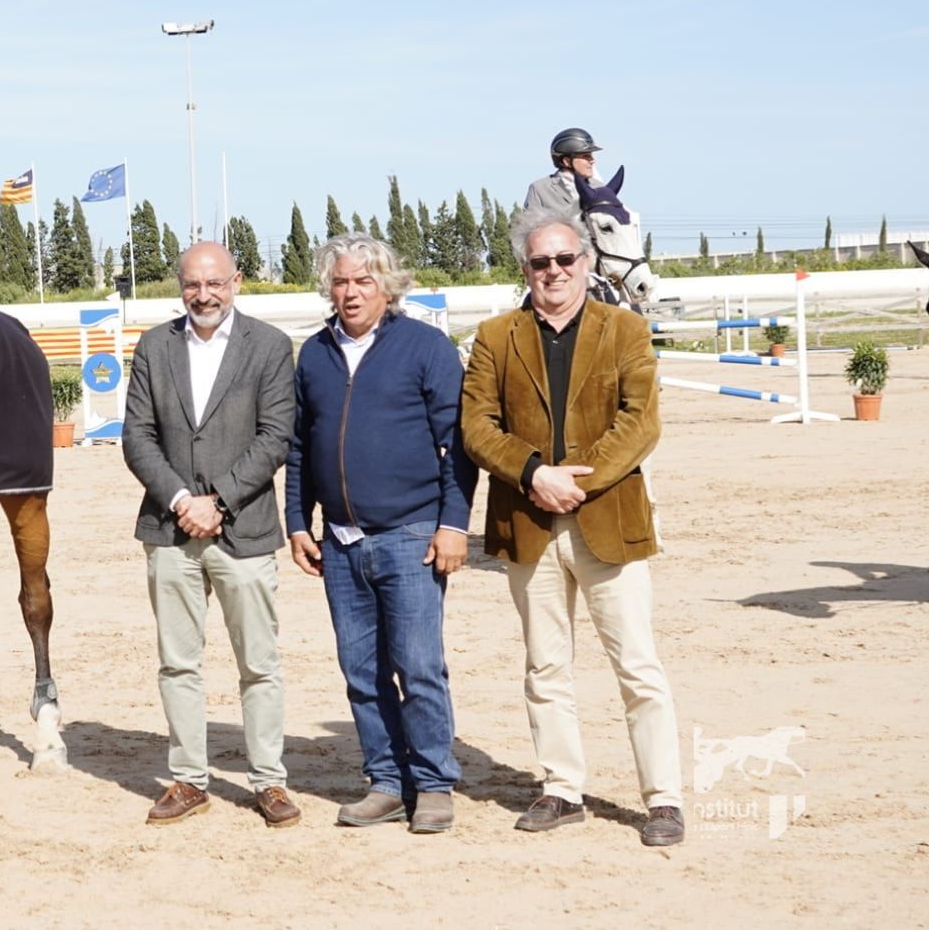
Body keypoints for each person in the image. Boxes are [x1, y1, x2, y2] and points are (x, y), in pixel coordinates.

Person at [459, 208, 685, 847]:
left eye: (565, 260)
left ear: (586, 264)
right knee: (544, 666)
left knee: (637, 665)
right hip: (529, 522)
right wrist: (533, 474)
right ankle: (561, 788)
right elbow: (478, 426)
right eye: (540, 262)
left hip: (608, 520)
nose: (553, 271)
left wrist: (573, 482)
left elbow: (641, 422)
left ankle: (663, 798)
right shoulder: (495, 336)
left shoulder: (627, 331)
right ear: (525, 269)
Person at [284, 233, 477, 834]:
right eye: (341, 281)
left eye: (364, 281)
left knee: (418, 667)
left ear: (387, 287)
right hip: (338, 544)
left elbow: (458, 447)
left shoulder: (427, 348)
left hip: (411, 534)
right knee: (361, 672)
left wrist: (453, 524)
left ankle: (434, 783)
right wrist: (297, 522)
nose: (351, 293)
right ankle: (387, 782)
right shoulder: (314, 354)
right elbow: (298, 447)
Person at [122, 242, 300, 829]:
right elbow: (137, 438)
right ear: (180, 286)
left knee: (260, 664)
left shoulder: (271, 348)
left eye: (215, 284)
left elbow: (275, 437)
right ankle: (188, 779)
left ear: (237, 282)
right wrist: (181, 500)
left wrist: (217, 501)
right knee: (178, 663)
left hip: (243, 530)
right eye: (193, 285)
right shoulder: (154, 345)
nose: (204, 295)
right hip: (171, 532)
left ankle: (269, 781)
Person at [524, 127, 604, 222]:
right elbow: (528, 229)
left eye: (591, 156)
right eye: (586, 156)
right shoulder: (540, 189)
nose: (592, 161)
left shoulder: (600, 188)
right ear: (566, 161)